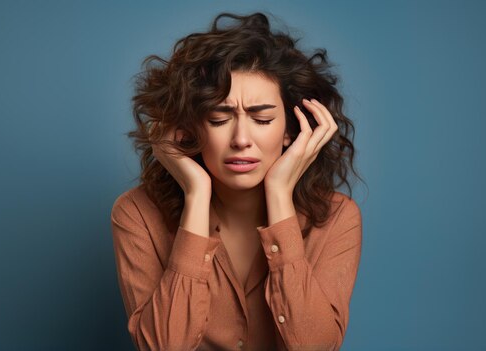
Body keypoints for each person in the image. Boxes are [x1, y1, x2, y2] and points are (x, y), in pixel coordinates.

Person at [111, 11, 364, 351]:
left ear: (292, 130)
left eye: (262, 119)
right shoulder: (136, 213)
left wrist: (279, 195)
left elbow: (316, 346)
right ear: (189, 128)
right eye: (219, 118)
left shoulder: (337, 217)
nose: (241, 139)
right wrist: (196, 195)